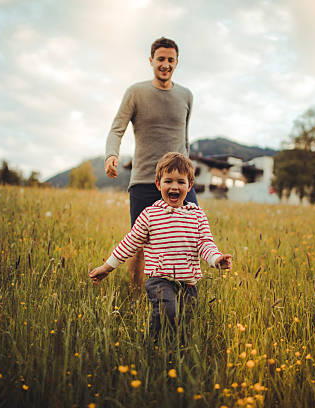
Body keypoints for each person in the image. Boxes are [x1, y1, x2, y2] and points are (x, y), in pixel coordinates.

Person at [89, 153, 232, 340]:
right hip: (160, 279)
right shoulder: (150, 215)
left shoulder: (197, 215)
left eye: (181, 182)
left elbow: (205, 243)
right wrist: (107, 267)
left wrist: (216, 259)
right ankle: (154, 344)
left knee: (185, 323)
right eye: (168, 181)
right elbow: (130, 243)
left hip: (189, 283)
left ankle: (177, 352)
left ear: (190, 186)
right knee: (167, 310)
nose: (174, 186)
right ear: (158, 184)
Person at [104, 37, 198, 289]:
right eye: (161, 59)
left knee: (189, 236)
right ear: (151, 61)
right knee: (138, 242)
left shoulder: (186, 95)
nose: (165, 64)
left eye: (170, 60)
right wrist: (111, 154)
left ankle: (184, 292)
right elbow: (117, 129)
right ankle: (137, 296)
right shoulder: (136, 92)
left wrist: (189, 177)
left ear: (177, 62)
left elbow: (185, 139)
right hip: (145, 179)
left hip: (181, 181)